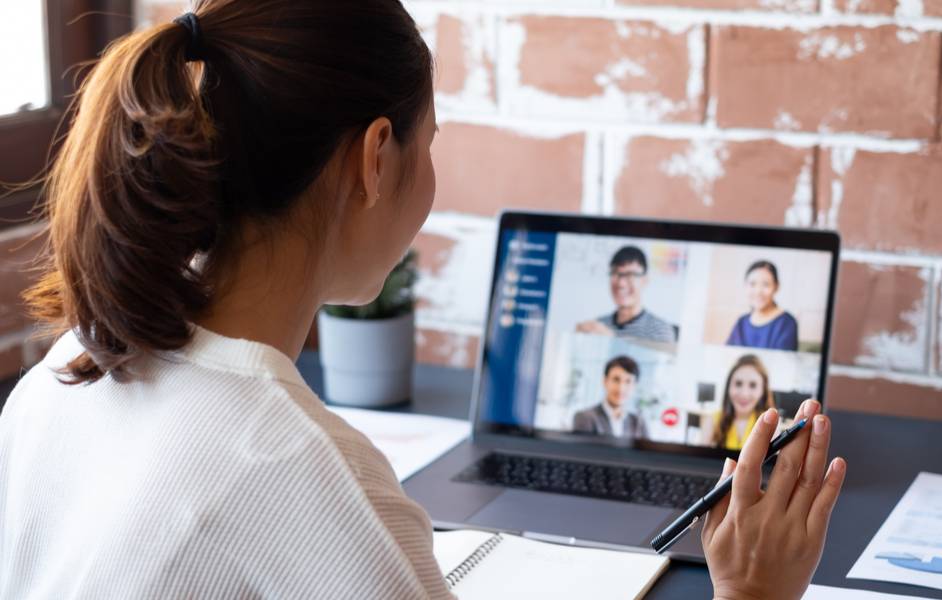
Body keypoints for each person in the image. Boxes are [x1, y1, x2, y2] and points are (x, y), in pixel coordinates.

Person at [0, 2, 846, 598]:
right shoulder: (294, 470)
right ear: (375, 158)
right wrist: (751, 594)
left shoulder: (58, 378)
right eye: (429, 141)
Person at [576, 245, 679, 344]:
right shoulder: (599, 325)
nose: (621, 283)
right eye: (615, 274)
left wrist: (611, 341)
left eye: (630, 275)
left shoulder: (660, 330)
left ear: (645, 280)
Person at [707, 354, 776, 451]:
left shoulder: (769, 425)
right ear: (729, 387)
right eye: (738, 384)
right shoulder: (713, 420)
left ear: (762, 390)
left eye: (753, 385)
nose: (744, 394)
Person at [726, 260, 799, 351]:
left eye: (766, 284)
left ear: (776, 287)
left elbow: (783, 363)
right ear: (745, 286)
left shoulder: (786, 323)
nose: (758, 291)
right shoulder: (741, 322)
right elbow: (728, 356)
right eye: (752, 284)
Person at [572, 355, 648, 439]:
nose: (621, 388)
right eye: (616, 380)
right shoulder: (585, 418)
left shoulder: (639, 424)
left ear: (634, 386)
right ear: (605, 381)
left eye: (628, 381)